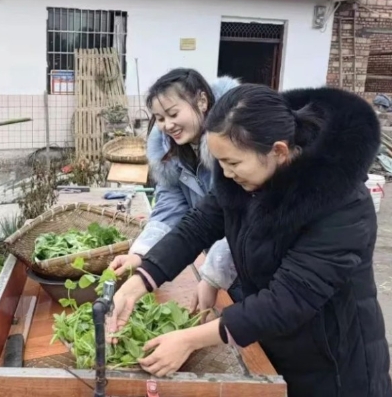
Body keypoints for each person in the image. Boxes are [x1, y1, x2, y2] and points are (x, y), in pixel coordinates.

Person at [107, 84, 392, 397]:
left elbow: (289, 300)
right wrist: (140, 281)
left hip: (333, 364)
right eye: (221, 163)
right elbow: (198, 225)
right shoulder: (244, 181)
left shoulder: (341, 204)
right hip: (273, 341)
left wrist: (189, 339)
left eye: (234, 163)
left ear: (279, 151)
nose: (226, 175)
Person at [125, 67, 242, 303]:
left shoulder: (238, 145)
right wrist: (142, 254)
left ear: (201, 101)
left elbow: (242, 217)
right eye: (159, 119)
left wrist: (211, 276)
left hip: (252, 262)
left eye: (173, 114)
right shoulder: (175, 154)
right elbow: (171, 205)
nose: (167, 125)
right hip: (220, 266)